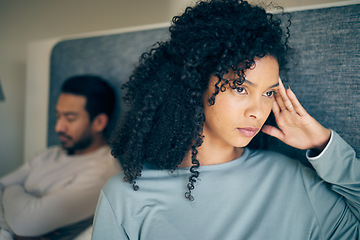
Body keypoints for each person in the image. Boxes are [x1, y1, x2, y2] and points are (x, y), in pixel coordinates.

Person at [92, 0, 360, 239]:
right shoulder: (126, 196)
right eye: (240, 88)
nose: (257, 111)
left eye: (269, 93)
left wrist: (325, 145)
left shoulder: (293, 180)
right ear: (195, 85)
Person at [0, 75, 122, 240]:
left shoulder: (103, 173)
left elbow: (25, 222)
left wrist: (10, 189)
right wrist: (13, 223)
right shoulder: (49, 154)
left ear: (99, 122)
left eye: (70, 118)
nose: (58, 127)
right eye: (58, 116)